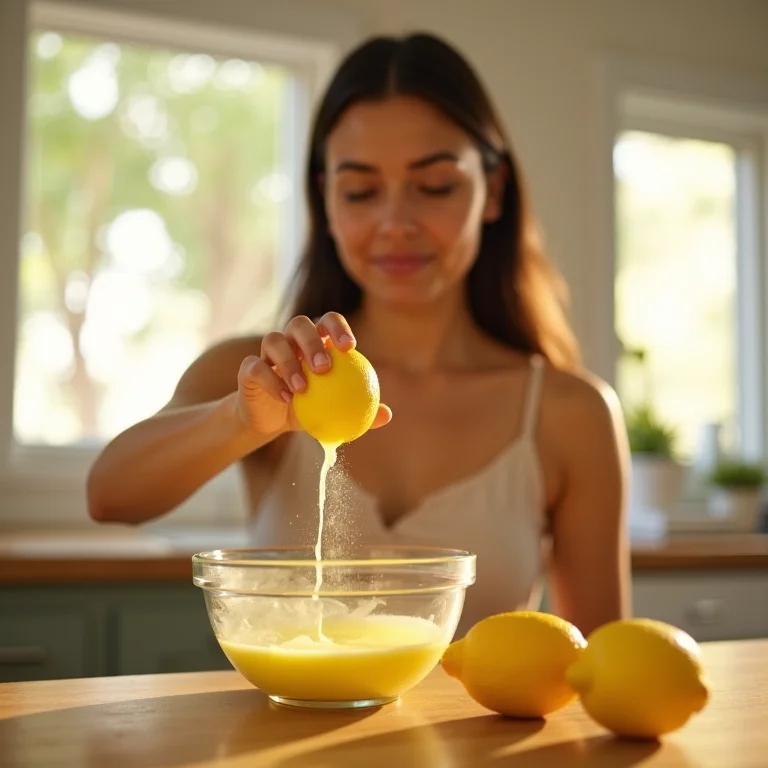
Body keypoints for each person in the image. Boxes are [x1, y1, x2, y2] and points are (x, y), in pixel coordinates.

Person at [87, 32, 631, 637]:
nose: (395, 224)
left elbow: (602, 659)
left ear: (493, 191)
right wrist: (241, 422)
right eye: (361, 191)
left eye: (435, 186)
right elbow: (109, 497)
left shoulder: (569, 412)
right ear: (326, 198)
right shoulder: (262, 376)